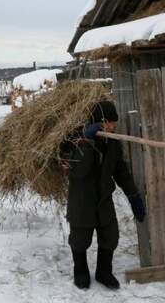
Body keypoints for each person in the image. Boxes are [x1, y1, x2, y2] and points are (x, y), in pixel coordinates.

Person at [66, 100, 146, 290]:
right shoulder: (76, 139)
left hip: (103, 199)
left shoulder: (112, 142)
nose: (112, 127)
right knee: (80, 239)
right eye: (109, 122)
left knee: (111, 236)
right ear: (98, 121)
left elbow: (120, 171)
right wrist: (87, 141)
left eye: (113, 123)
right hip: (82, 201)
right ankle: (81, 270)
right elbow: (79, 172)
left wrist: (133, 196)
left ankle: (104, 271)